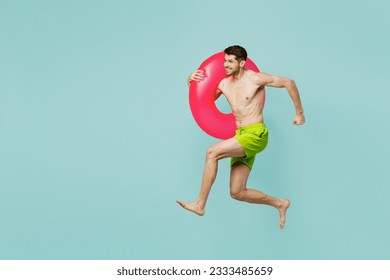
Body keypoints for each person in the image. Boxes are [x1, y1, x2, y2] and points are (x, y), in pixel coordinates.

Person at [177, 45, 305, 229]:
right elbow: (205, 99)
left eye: (230, 61)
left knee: (212, 152)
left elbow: (289, 82)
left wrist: (299, 113)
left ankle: (199, 204)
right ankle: (280, 203)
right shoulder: (224, 84)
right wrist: (190, 80)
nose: (226, 64)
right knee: (237, 192)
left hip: (256, 134)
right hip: (241, 135)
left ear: (242, 63)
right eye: (225, 61)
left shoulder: (255, 79)